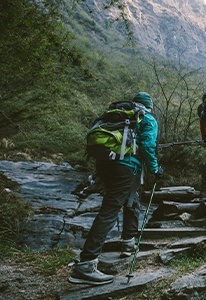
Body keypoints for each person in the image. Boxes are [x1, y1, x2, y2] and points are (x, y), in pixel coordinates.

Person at [68, 92, 162, 285]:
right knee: (110, 210)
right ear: (148, 106)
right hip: (126, 167)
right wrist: (154, 169)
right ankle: (86, 265)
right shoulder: (147, 118)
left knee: (131, 199)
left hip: (106, 164)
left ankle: (128, 242)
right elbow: (147, 145)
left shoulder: (117, 115)